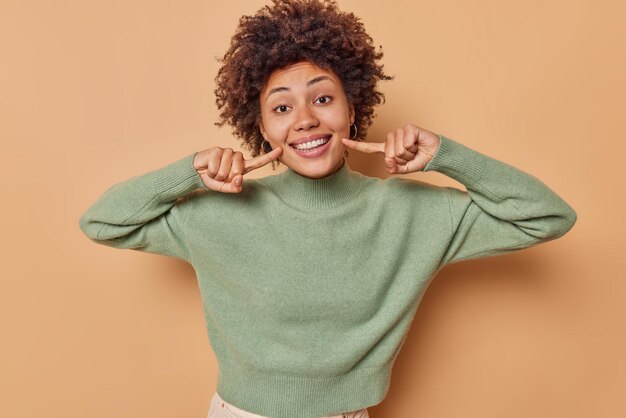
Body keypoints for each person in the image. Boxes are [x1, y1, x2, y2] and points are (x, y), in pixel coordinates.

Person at [78, 0, 577, 417]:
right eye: (281, 107)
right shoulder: (218, 212)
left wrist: (446, 155)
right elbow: (102, 221)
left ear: (352, 110)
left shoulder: (411, 212)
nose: (304, 120)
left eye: (322, 99)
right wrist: (189, 171)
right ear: (262, 129)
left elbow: (547, 216)